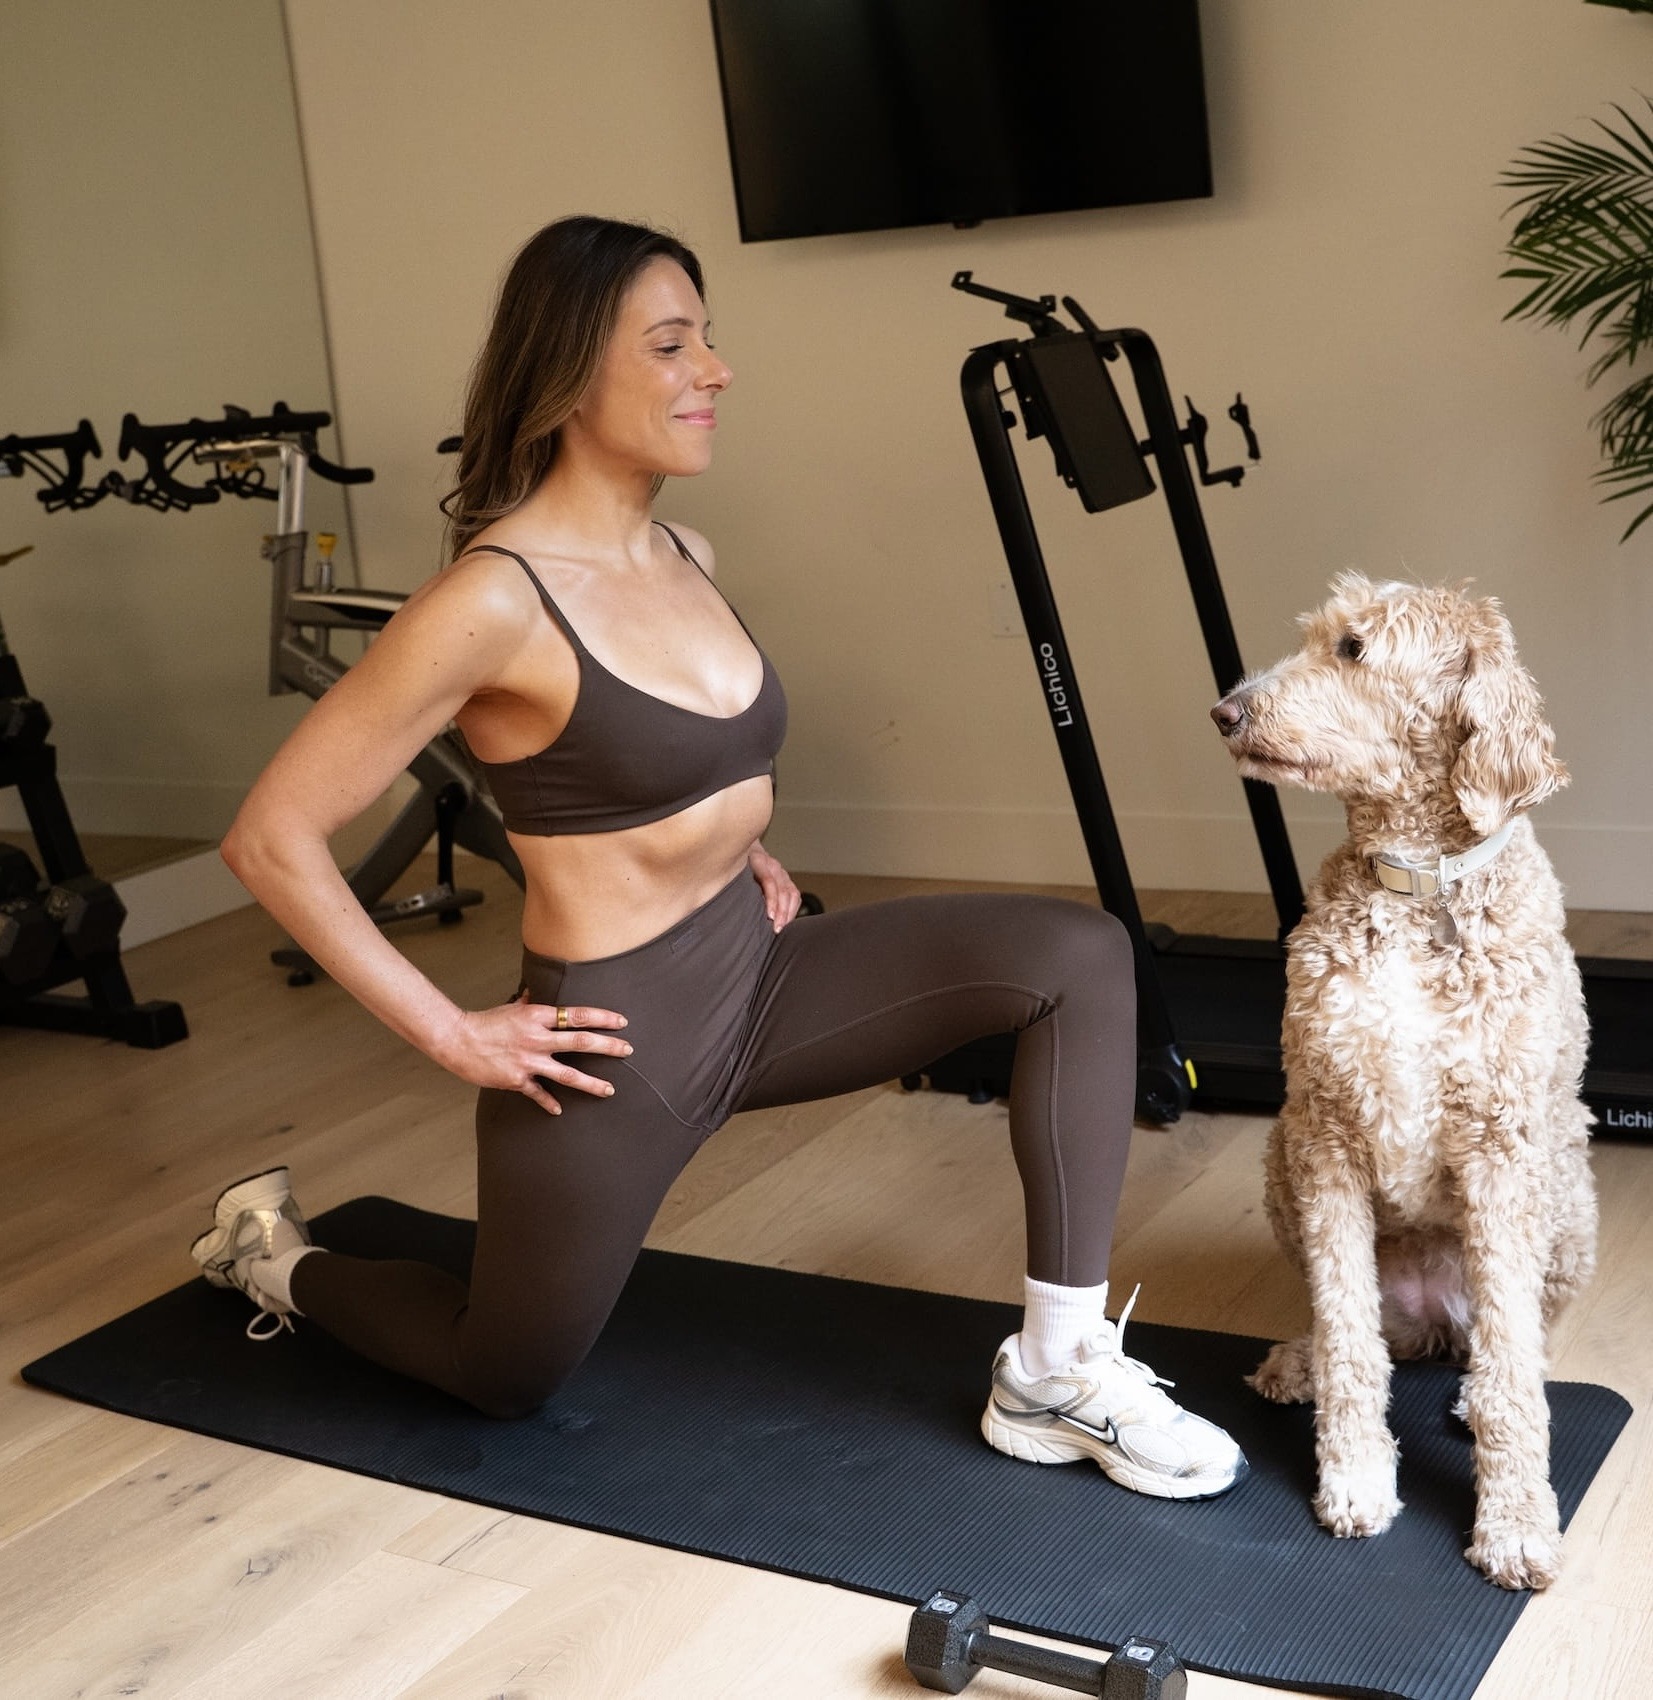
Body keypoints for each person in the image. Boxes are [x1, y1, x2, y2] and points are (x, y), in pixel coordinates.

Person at [191, 214, 1245, 1501]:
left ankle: (1057, 1364)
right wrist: (451, 1032)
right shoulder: (492, 600)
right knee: (502, 1369)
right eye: (671, 344)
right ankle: (273, 1258)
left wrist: (743, 843)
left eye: (709, 339)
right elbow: (271, 836)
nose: (716, 370)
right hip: (615, 1042)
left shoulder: (687, 553)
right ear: (568, 374)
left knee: (1076, 954)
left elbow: (662, 760)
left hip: (763, 970)